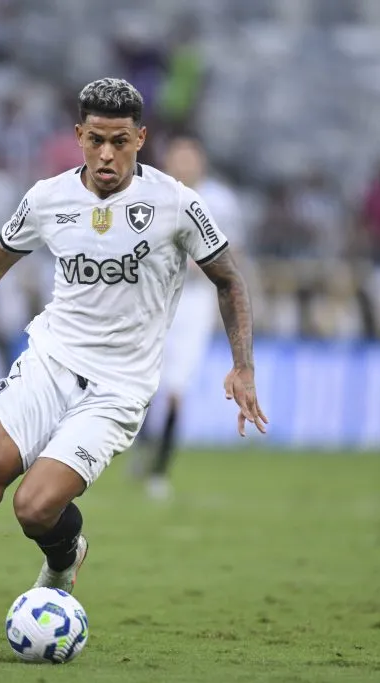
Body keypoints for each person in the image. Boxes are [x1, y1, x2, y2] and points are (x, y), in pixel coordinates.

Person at [0, 77, 268, 656]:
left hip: (118, 386)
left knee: (34, 507)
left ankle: (67, 554)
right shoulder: (47, 198)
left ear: (141, 138)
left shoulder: (179, 206)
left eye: (120, 141)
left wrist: (243, 367)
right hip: (51, 359)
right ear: (78, 137)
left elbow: (229, 280)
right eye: (95, 141)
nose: (107, 155)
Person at [134, 135, 245, 500]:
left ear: (201, 162)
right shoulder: (150, 193)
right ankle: (141, 444)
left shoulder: (220, 202)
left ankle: (158, 468)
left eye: (190, 157)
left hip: (194, 303)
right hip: (156, 298)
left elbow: (233, 251)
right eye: (178, 157)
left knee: (177, 388)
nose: (184, 164)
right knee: (144, 381)